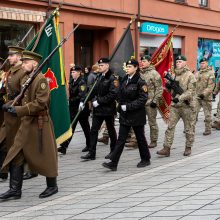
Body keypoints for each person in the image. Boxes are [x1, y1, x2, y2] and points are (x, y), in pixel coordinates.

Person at [0, 51, 58, 200]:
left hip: (40, 122)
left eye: (26, 62)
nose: (23, 64)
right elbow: (21, 98)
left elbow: (41, 103)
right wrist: (10, 105)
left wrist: (19, 110)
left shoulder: (40, 80)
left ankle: (52, 185)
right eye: (23, 61)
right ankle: (15, 190)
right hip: (26, 122)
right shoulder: (26, 78)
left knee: (45, 154)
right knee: (15, 154)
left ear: (35, 64)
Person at [102, 59, 151, 171]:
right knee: (121, 139)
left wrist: (128, 106)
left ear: (136, 68)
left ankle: (146, 159)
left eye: (130, 67)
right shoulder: (124, 79)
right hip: (125, 115)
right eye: (127, 67)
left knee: (140, 138)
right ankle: (113, 163)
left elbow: (142, 99)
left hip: (137, 115)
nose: (127, 69)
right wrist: (120, 104)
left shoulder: (140, 81)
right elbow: (119, 93)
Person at [157, 55, 196, 157]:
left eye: (180, 61)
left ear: (185, 62)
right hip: (175, 106)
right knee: (170, 127)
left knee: (188, 128)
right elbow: (172, 91)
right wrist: (168, 86)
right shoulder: (173, 75)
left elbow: (191, 92)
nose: (178, 63)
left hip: (187, 106)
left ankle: (188, 147)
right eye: (177, 61)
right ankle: (166, 148)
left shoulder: (190, 75)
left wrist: (180, 97)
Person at [81, 58, 118, 160]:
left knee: (111, 130)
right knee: (93, 130)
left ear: (107, 66)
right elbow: (92, 91)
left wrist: (99, 101)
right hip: (98, 110)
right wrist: (84, 101)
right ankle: (91, 153)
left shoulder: (112, 78)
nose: (100, 67)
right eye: (99, 65)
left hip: (108, 109)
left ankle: (113, 151)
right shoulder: (98, 77)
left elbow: (113, 94)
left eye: (102, 65)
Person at [0, 46, 26, 181]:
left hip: (17, 113)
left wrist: (11, 104)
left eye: (11, 55)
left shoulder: (22, 72)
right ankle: (4, 171)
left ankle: (16, 179)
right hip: (8, 112)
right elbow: (6, 90)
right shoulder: (10, 71)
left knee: (15, 146)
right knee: (4, 142)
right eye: (8, 55)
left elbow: (23, 95)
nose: (8, 58)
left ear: (19, 56)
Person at [58, 65, 91, 155]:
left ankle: (90, 145)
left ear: (79, 72)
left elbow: (82, 94)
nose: (72, 74)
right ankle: (64, 147)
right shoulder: (72, 81)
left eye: (74, 72)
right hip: (73, 109)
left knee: (86, 129)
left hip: (81, 109)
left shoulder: (82, 81)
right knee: (71, 128)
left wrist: (81, 102)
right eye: (72, 72)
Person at [140, 55, 163, 148]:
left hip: (150, 103)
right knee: (138, 122)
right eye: (142, 61)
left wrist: (155, 100)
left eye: (145, 61)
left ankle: (153, 140)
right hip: (140, 102)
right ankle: (137, 140)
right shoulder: (140, 73)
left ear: (150, 62)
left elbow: (159, 88)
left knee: (152, 122)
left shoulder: (154, 73)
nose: (143, 63)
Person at [194, 58, 215, 135]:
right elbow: (193, 84)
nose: (202, 64)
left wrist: (204, 94)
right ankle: (190, 128)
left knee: (207, 115)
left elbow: (211, 86)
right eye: (201, 63)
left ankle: (208, 129)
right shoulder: (197, 73)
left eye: (203, 63)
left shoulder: (210, 73)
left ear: (207, 63)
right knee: (193, 113)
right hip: (197, 97)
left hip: (206, 98)